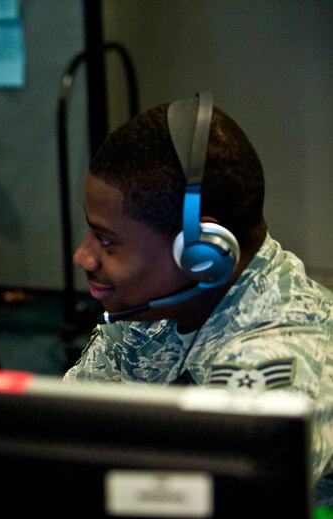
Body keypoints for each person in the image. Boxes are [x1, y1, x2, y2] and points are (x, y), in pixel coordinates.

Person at [63, 91, 333, 506]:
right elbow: (66, 428)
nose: (83, 256)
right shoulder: (157, 305)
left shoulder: (281, 360)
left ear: (202, 251)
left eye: (107, 241)